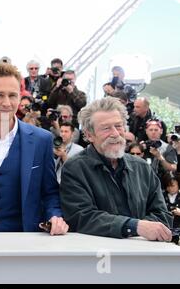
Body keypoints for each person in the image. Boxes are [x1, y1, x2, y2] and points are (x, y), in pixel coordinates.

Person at [0, 63, 69, 234]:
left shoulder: (42, 140)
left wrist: (55, 216)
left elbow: (49, 193)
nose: (7, 103)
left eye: (12, 95)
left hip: (24, 244)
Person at [60, 97, 173, 241]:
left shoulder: (142, 167)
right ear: (89, 135)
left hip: (142, 254)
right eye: (106, 128)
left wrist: (144, 228)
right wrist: (135, 226)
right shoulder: (75, 168)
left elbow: (162, 214)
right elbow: (81, 217)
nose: (115, 133)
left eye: (119, 126)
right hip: (96, 256)